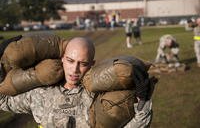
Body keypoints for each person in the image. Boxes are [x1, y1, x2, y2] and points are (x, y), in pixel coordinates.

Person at [0, 36, 154, 128]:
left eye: (83, 63)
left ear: (92, 64)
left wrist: (143, 102)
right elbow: (3, 100)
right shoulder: (40, 93)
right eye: (70, 61)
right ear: (62, 59)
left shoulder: (97, 96)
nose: (75, 70)